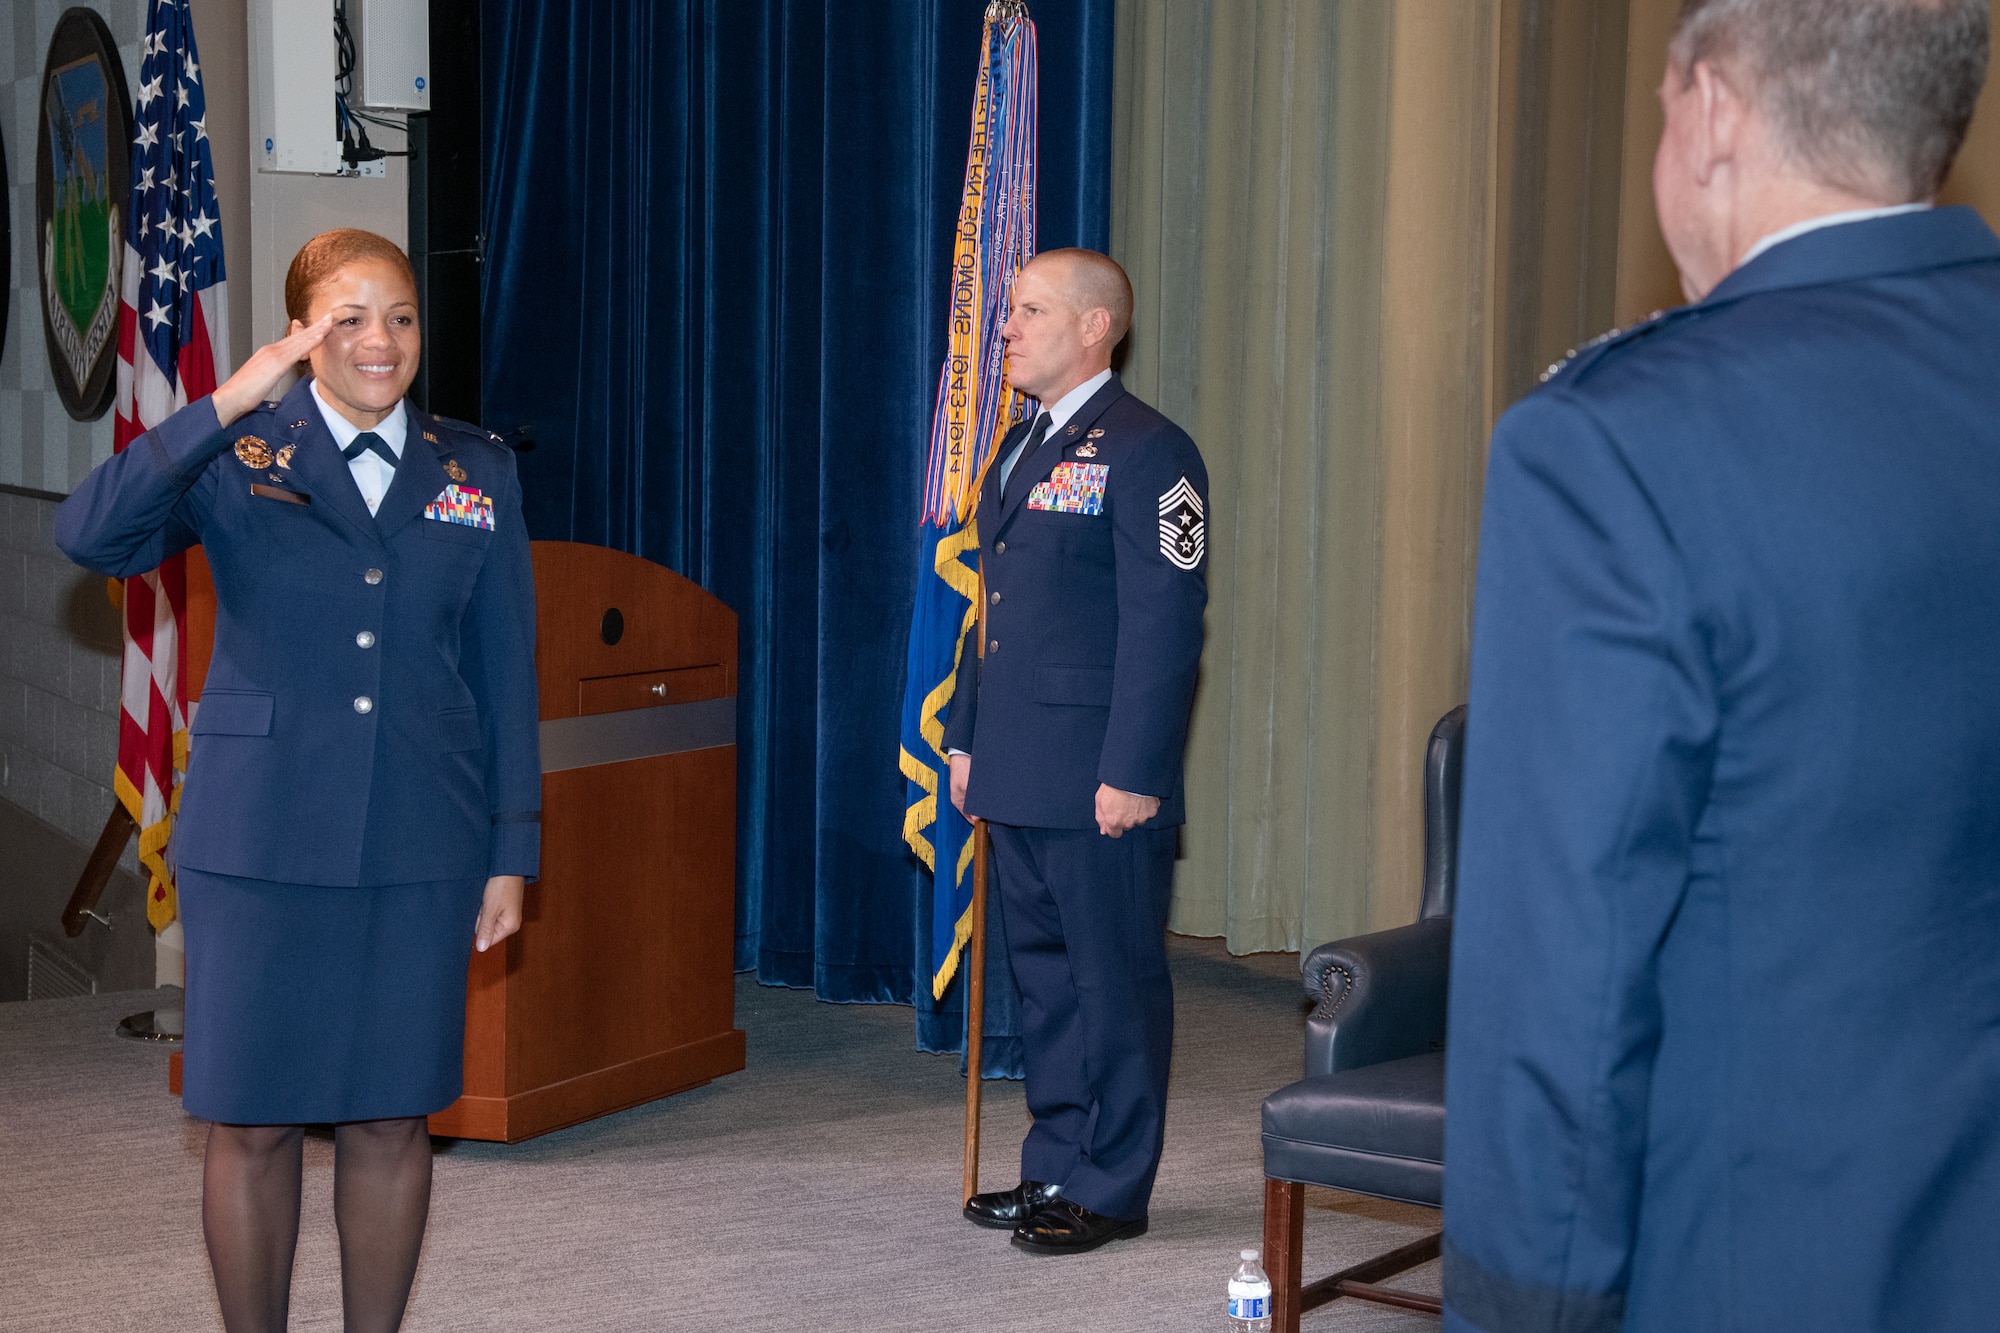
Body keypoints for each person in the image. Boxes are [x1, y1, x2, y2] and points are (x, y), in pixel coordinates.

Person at [1442, 2, 1997, 1330]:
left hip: (1768, 1258)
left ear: (1715, 113)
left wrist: (1523, 1306)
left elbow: (1564, 962)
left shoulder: (1618, 445)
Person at [56, 229, 540, 1332]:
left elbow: (504, 669)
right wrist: (228, 399)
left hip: (422, 838)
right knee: (253, 1121)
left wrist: (513, 846)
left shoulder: (477, 469)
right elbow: (91, 533)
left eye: (403, 316)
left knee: (390, 1118)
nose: (381, 340)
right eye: (348, 318)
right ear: (301, 331)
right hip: (259, 844)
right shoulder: (237, 453)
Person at [944, 248, 1208, 1255]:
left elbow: (1164, 623)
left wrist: (1136, 769)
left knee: (1113, 982)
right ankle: (1055, 1161)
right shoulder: (1018, 447)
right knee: (1046, 983)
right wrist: (964, 737)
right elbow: (992, 611)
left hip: (1100, 776)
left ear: (1095, 327)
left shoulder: (1150, 452)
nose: (1003, 327)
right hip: (1017, 764)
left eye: (1028, 310)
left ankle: (1112, 1183)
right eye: (1007, 309)